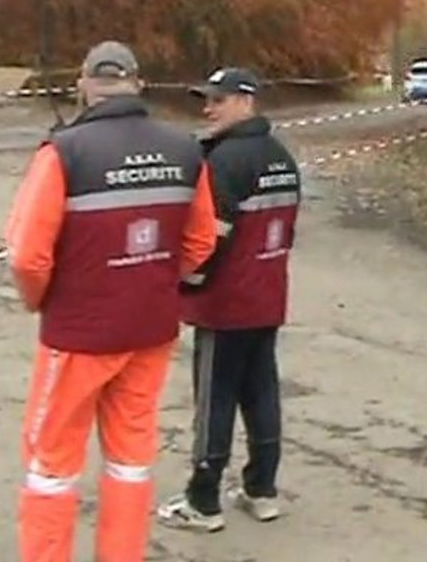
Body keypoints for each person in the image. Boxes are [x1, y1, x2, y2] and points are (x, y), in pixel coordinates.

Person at [5, 41, 218, 562]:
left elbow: (27, 255)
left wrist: (40, 301)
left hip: (78, 335)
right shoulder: (185, 149)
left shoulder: (64, 152)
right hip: (150, 329)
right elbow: (200, 241)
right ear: (137, 83)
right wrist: (155, 282)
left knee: (51, 464)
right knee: (131, 459)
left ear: (83, 85)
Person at [157, 67, 301, 533]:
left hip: (224, 304)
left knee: (213, 400)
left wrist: (187, 283)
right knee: (261, 393)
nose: (208, 109)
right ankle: (262, 489)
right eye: (207, 99)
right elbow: (287, 231)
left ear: (246, 101)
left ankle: (203, 499)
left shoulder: (224, 162)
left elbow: (208, 238)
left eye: (218, 100)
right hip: (267, 296)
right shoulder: (281, 156)